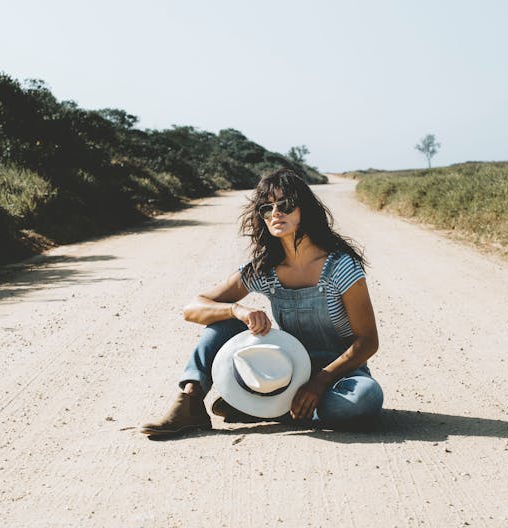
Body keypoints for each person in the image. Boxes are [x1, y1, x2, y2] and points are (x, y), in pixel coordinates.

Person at [141, 168, 383, 437]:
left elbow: (368, 341)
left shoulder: (340, 265)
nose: (276, 213)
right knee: (223, 322)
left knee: (366, 398)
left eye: (285, 205)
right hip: (284, 374)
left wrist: (320, 380)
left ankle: (267, 407)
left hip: (338, 377)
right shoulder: (264, 270)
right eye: (267, 209)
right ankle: (191, 402)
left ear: (305, 210)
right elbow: (192, 309)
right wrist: (237, 309)